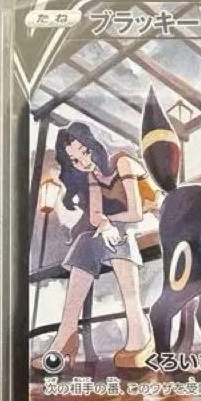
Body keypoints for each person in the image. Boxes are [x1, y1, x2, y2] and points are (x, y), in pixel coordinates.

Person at [39, 122, 153, 370]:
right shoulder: (92, 175)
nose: (83, 162)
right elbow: (95, 216)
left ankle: (140, 330)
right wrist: (105, 223)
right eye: (75, 160)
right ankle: (67, 332)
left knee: (118, 233)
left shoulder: (123, 162)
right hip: (119, 227)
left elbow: (136, 212)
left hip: (153, 220)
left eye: (85, 151)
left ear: (95, 144)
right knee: (85, 240)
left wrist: (108, 222)